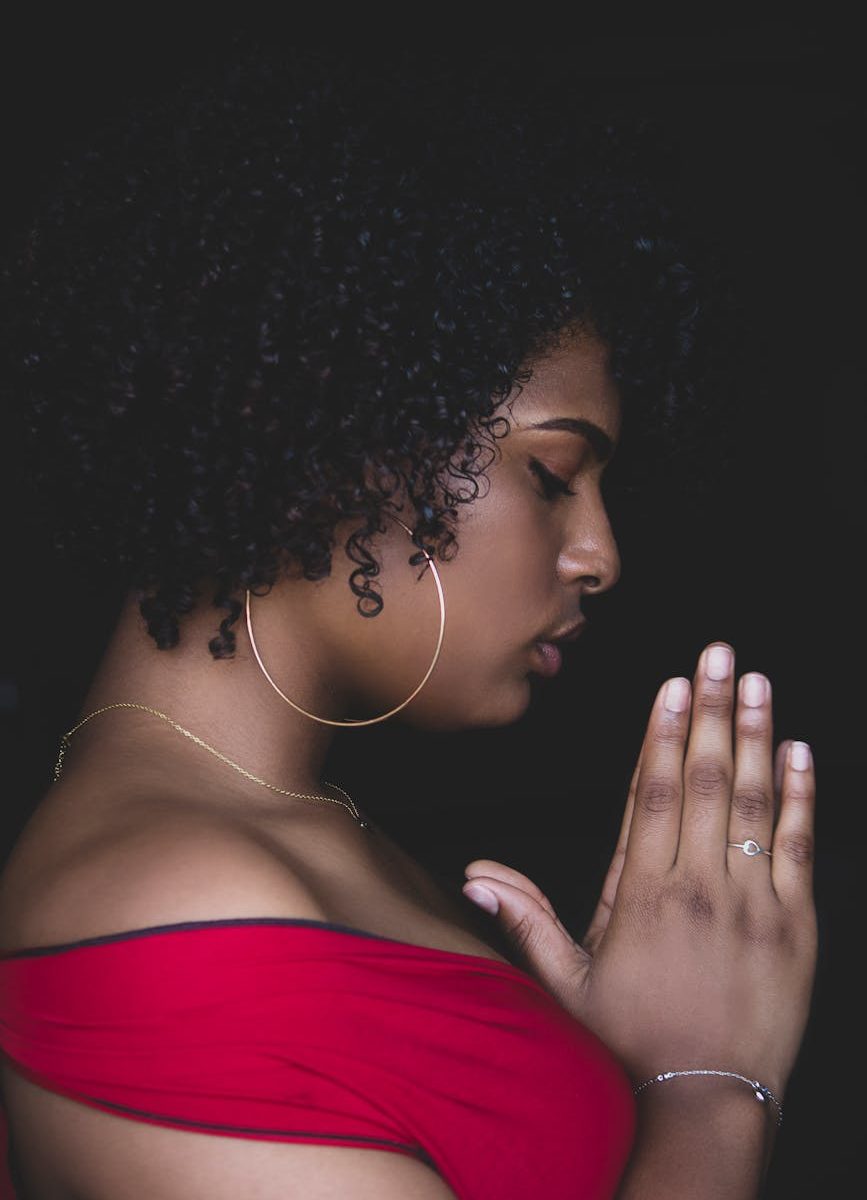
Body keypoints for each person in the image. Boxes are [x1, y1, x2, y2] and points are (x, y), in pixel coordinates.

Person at [0, 46, 817, 1199]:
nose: (603, 556)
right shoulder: (171, 904)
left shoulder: (296, 837)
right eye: (552, 474)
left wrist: (640, 1066)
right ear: (336, 442)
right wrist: (711, 1096)